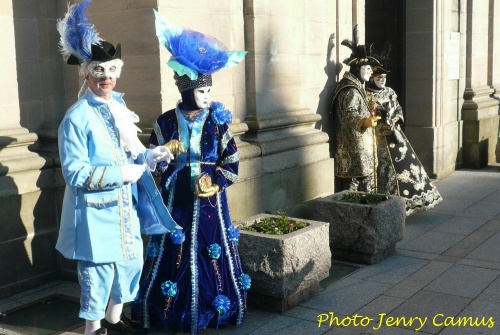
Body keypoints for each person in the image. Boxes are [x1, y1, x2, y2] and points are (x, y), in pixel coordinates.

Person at [55, 2, 181, 334]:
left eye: (111, 70)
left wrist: (147, 157)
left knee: (128, 272)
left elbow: (129, 153)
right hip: (96, 220)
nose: (106, 77)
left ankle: (115, 326)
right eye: (99, 70)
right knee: (97, 284)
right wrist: (123, 175)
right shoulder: (76, 119)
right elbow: (76, 174)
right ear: (86, 72)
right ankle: (94, 331)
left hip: (125, 214)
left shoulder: (119, 108)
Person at [131, 11, 250, 334]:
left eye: (209, 92)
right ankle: (170, 310)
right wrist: (166, 157)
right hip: (177, 201)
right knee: (175, 251)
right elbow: (152, 164)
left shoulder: (217, 121)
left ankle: (214, 309)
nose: (207, 97)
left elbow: (232, 161)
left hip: (211, 205)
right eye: (201, 92)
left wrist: (216, 183)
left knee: (211, 249)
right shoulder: (166, 122)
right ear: (185, 91)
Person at [366, 43, 443, 215]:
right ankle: (387, 203)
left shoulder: (390, 92)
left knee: (407, 168)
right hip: (378, 138)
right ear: (372, 78)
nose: (382, 81)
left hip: (395, 136)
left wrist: (394, 118)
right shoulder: (367, 94)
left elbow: (399, 110)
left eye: (384, 78)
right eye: (379, 78)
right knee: (385, 172)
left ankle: (407, 202)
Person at [331, 25, 382, 193]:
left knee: (365, 185)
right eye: (367, 69)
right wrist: (365, 121)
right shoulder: (350, 90)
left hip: (360, 149)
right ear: (357, 69)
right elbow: (350, 115)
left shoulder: (356, 86)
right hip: (354, 150)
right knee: (356, 188)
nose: (370, 72)